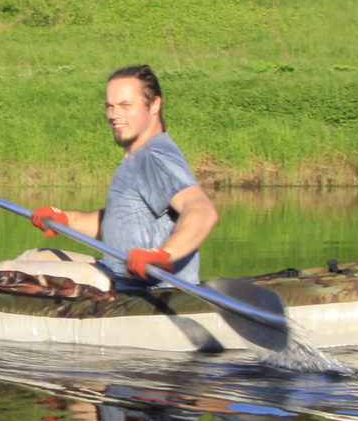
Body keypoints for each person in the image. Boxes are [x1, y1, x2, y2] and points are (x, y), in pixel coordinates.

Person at [19, 64, 218, 288]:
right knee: (33, 256)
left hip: (148, 291)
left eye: (125, 105)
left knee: (10, 271)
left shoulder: (154, 157)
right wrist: (66, 219)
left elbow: (202, 210)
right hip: (118, 274)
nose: (114, 115)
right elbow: (121, 225)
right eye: (110, 106)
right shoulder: (139, 156)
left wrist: (163, 254)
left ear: (154, 105)